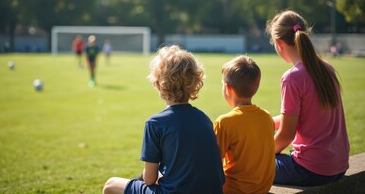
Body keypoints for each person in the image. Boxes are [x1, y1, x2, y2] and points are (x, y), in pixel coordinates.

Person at [102, 45, 225, 194]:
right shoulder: (204, 119)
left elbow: (149, 180)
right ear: (194, 82)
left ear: (159, 83)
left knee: (111, 185)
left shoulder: (155, 123)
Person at [265, 10, 350, 186]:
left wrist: (261, 153)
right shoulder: (327, 68)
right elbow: (305, 113)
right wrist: (266, 123)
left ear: (279, 44)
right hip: (339, 166)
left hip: (310, 170)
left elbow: (286, 136)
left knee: (247, 163)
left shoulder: (291, 77)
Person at [214, 55, 275, 194]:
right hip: (263, 188)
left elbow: (213, 165)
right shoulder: (266, 117)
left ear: (228, 89)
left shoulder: (224, 122)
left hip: (233, 190)